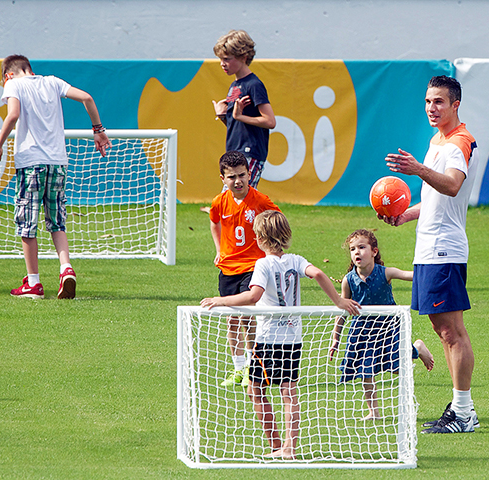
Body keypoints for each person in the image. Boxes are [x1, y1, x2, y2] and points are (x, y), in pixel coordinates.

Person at [201, 210, 360, 459]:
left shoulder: (263, 264)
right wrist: (338, 300)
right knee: (289, 391)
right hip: (293, 338)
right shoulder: (296, 260)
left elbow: (253, 296)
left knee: (255, 390)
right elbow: (318, 273)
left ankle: (276, 445)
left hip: (267, 337)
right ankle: (289, 448)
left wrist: (221, 300)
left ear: (260, 238)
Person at [382, 75, 479, 433]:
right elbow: (436, 197)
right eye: (427, 102)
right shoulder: (437, 141)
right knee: (442, 329)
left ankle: (464, 412)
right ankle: (460, 408)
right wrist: (406, 214)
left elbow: (452, 186)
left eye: (438, 102)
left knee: (452, 331)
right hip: (428, 247)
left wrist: (418, 169)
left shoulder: (458, 142)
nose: (431, 109)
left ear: (455, 105)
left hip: (444, 248)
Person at [0, 54, 111, 299]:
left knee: (27, 223)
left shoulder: (14, 84)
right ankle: (65, 267)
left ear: (8, 75)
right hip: (57, 162)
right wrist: (98, 130)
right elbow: (87, 97)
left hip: (30, 162)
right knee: (57, 221)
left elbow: (13, 114)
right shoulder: (53, 82)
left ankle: (33, 283)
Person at [328, 229, 434, 421]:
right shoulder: (348, 280)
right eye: (353, 249)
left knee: (397, 367)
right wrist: (336, 337)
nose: (357, 252)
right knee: (365, 371)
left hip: (388, 327)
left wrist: (431, 269)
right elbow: (343, 311)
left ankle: (416, 348)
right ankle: (373, 411)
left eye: (362, 247)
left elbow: (410, 275)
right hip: (362, 331)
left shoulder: (386, 273)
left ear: (374, 252)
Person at [207, 151, 281, 387]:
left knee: (247, 316)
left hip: (252, 266)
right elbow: (214, 221)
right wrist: (219, 249)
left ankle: (253, 366)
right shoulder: (219, 201)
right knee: (232, 319)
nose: (237, 181)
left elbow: (279, 221)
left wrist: (271, 251)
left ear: (250, 174)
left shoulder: (261, 201)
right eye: (231, 177)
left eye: (241, 175)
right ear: (222, 179)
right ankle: (238, 368)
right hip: (228, 268)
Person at [212, 29, 276, 188]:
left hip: (250, 153)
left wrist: (241, 117)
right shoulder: (234, 85)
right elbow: (238, 126)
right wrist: (223, 115)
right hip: (234, 152)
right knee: (230, 203)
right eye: (220, 59)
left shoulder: (254, 84)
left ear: (243, 57)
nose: (222, 64)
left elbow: (270, 121)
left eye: (227, 59)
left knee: (241, 202)